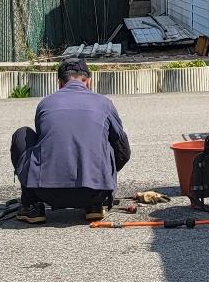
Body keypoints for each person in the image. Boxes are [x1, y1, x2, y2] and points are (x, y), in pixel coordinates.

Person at [10, 58, 131, 224]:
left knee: (22, 134)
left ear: (60, 83)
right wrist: (102, 179)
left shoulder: (46, 103)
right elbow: (123, 151)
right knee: (110, 140)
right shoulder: (104, 103)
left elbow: (45, 144)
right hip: (94, 193)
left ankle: (31, 206)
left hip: (46, 193)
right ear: (88, 81)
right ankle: (95, 206)